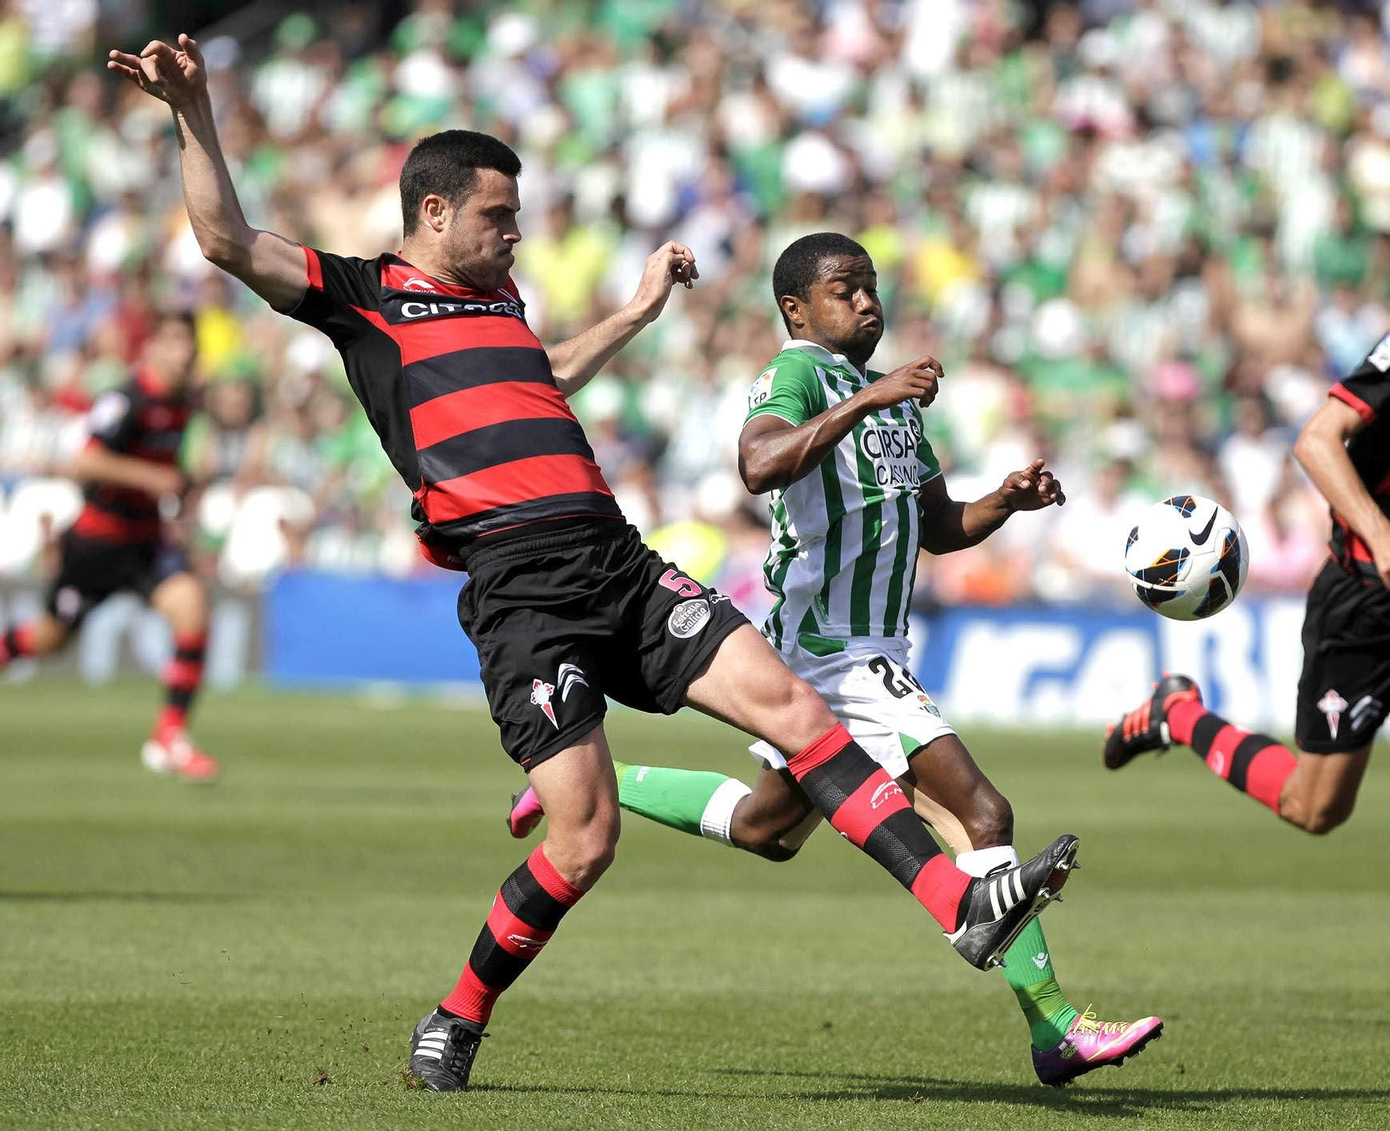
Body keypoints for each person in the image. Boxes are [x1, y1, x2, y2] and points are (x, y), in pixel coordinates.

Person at [108, 35, 1080, 1092]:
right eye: (497, 216)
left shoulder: (502, 309)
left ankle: (958, 908)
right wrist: (193, 109)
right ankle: (459, 1013)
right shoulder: (363, 297)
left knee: (800, 715)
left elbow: (544, 373)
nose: (516, 234)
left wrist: (636, 309)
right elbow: (223, 237)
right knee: (584, 840)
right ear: (433, 213)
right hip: (520, 587)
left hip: (615, 556)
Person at [508, 233, 1164, 1086]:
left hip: (866, 649)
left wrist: (1003, 500)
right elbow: (759, 461)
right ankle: (1056, 1028)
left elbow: (935, 526)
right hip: (831, 649)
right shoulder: (801, 373)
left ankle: (599, 779)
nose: (865, 302)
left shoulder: (893, 402)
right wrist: (870, 397)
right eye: (844, 289)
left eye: (871, 286)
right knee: (984, 814)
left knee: (766, 827)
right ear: (797, 309)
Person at [1102, 197, 1390, 1028]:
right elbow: (1318, 440)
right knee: (1314, 809)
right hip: (1363, 603)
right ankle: (1179, 715)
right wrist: (1382, 533)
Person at [0, 310, 218, 782]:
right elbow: (86, 462)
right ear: (154, 347)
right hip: (97, 544)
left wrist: (181, 492)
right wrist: (153, 478)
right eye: (175, 342)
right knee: (50, 639)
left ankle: (170, 736)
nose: (184, 353)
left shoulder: (185, 402)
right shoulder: (127, 398)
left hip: (143, 542)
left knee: (193, 607)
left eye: (190, 344)